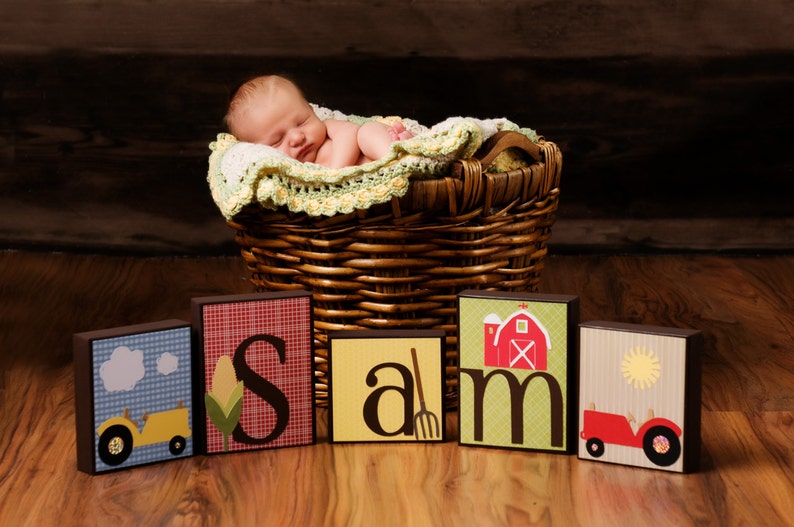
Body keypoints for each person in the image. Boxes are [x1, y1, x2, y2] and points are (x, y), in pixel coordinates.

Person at [224, 75, 413, 168]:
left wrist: (337, 172)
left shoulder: (328, 128)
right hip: (371, 187)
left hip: (379, 161)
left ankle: (398, 157)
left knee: (367, 131)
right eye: (277, 140)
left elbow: (350, 132)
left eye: (302, 122)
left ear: (312, 111)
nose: (297, 138)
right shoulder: (290, 172)